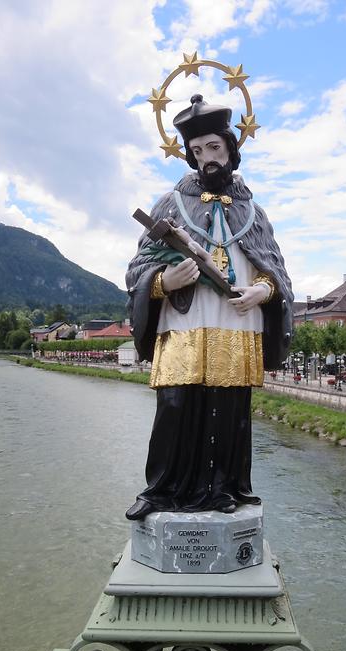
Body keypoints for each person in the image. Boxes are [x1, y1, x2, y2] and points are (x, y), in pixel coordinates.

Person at [125, 94, 293, 520]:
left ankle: (224, 489)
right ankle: (162, 490)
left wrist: (264, 292)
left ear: (230, 148)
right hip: (184, 321)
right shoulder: (170, 203)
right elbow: (137, 268)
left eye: (214, 148)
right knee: (176, 405)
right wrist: (164, 282)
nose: (207, 159)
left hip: (238, 323)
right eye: (197, 152)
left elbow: (276, 272)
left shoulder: (254, 212)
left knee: (229, 410)